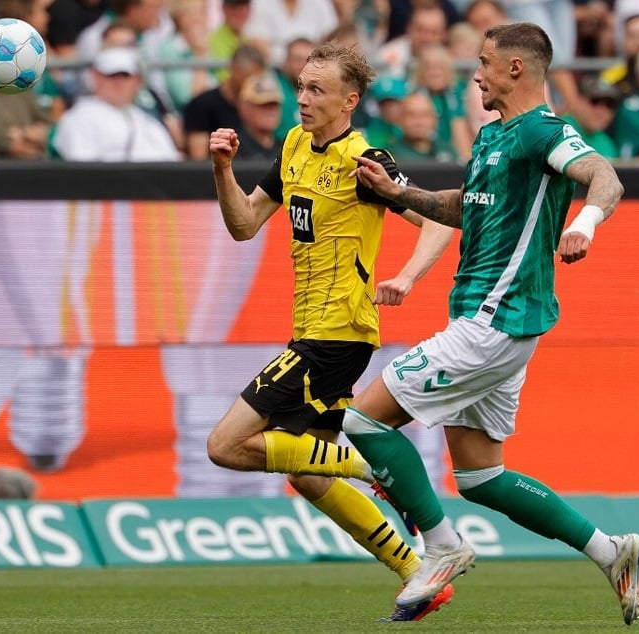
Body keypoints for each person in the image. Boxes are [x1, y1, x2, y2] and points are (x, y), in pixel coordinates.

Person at [344, 22, 639, 625]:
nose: (474, 75)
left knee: (362, 419)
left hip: (494, 321)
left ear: (515, 69)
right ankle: (612, 551)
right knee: (481, 476)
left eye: (482, 63)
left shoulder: (544, 132)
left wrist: (584, 224)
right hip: (496, 324)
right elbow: (463, 205)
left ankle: (441, 546)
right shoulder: (493, 139)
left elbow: (604, 176)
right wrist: (397, 193)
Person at [207, 40, 455, 622]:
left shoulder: (364, 160)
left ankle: (376, 469)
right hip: (313, 332)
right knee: (306, 473)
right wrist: (221, 168)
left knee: (224, 446)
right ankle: (417, 572)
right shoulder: (293, 146)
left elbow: (441, 224)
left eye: (316, 90)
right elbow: (244, 224)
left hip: (338, 334)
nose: (302, 99)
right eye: (300, 86)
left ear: (350, 100)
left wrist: (407, 276)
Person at [51, 46, 181, 161]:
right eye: (111, 75)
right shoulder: (79, 118)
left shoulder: (147, 121)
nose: (118, 82)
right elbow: (82, 171)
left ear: (137, 80)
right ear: (95, 76)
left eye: (125, 76)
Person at [182, 42, 264, 160]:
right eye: (248, 77)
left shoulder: (257, 105)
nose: (252, 83)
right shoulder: (202, 105)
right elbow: (198, 159)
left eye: (257, 78)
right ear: (234, 69)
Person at [387, 89, 457, 162]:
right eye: (412, 115)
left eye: (425, 115)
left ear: (435, 119)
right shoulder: (390, 156)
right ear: (400, 119)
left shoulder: (446, 149)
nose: (419, 122)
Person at [561, 74, 619, 160]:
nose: (601, 111)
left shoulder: (606, 142)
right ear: (578, 100)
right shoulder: (558, 130)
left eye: (609, 105)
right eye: (594, 101)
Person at [231, 70, 282, 159]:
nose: (270, 111)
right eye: (263, 105)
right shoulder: (233, 149)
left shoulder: (285, 148)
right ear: (244, 107)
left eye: (274, 104)